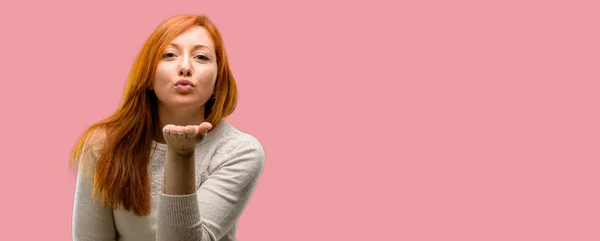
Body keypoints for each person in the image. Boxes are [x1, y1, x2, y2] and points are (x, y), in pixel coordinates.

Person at [69, 14, 265, 241]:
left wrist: (181, 154)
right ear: (149, 76)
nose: (184, 67)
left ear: (217, 82)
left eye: (201, 57)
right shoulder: (102, 145)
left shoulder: (240, 151)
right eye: (169, 55)